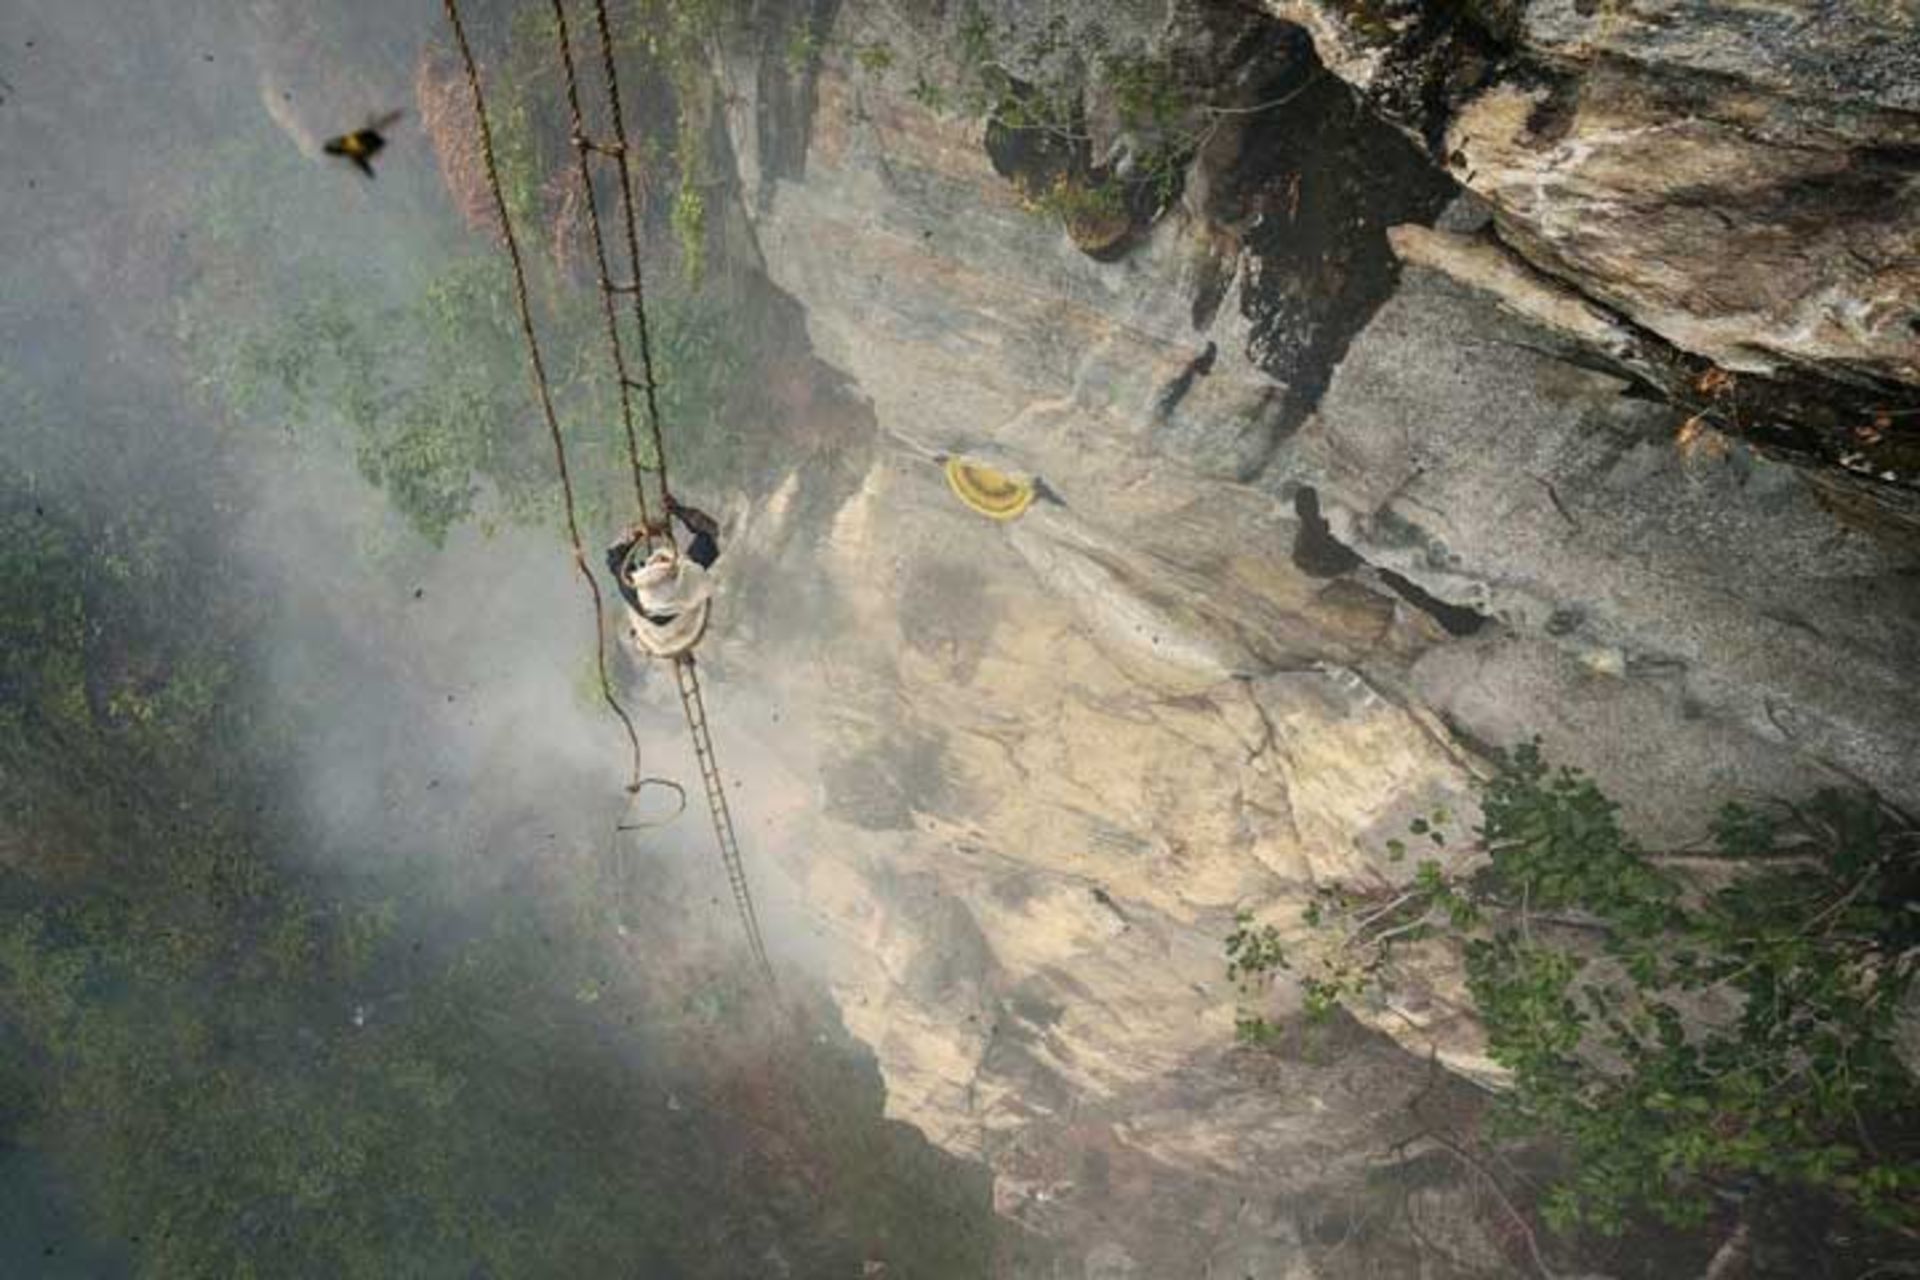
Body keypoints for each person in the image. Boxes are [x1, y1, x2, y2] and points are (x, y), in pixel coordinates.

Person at [605, 496, 721, 660]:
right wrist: (679, 510)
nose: (658, 558)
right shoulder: (690, 578)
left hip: (661, 637)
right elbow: (710, 531)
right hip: (679, 633)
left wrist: (637, 532)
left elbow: (613, 556)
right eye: (662, 562)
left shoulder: (635, 591)